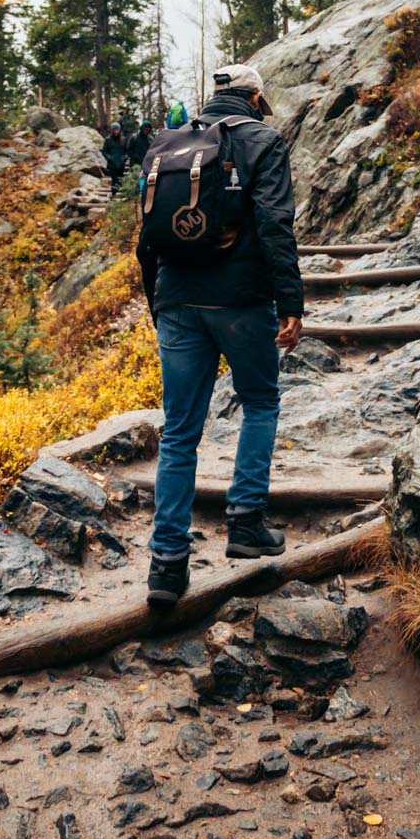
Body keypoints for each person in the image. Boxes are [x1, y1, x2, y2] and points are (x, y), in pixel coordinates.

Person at [136, 64, 304, 607]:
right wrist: (291, 303)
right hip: (241, 301)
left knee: (180, 432)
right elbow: (276, 223)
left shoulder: (169, 143)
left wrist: (157, 302)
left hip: (177, 300)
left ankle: (166, 566)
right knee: (259, 402)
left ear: (215, 98)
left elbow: (147, 238)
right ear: (255, 98)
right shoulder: (263, 140)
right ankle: (246, 523)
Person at [102, 121, 128, 193]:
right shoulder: (108, 140)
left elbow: (127, 151)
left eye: (117, 129)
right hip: (112, 164)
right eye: (114, 130)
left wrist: (124, 157)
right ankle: (113, 196)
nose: (116, 131)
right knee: (114, 181)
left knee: (120, 181)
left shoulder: (123, 140)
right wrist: (109, 157)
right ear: (112, 130)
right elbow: (104, 151)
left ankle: (119, 197)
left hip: (121, 164)